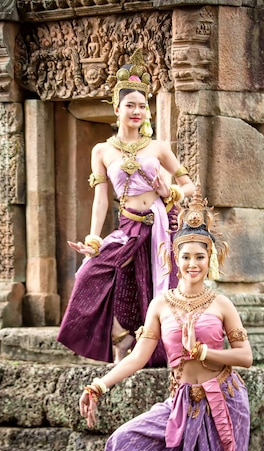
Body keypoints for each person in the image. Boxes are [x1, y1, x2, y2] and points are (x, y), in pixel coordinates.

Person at [79, 188, 252, 451]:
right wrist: (100, 385)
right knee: (125, 441)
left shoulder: (222, 304)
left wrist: (206, 351)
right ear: (175, 258)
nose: (192, 263)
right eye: (186, 255)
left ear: (211, 260)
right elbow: (138, 357)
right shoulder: (160, 304)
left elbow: (245, 355)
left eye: (200, 256)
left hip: (221, 402)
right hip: (179, 405)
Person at [57, 48, 195, 366]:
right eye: (130, 105)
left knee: (157, 286)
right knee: (90, 275)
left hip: (161, 225)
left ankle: (155, 350)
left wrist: (169, 191)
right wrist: (93, 240)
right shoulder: (102, 151)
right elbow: (102, 198)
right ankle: (122, 341)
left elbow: (190, 187)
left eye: (142, 107)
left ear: (147, 113)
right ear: (117, 109)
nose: (136, 112)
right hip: (128, 226)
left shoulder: (159, 148)